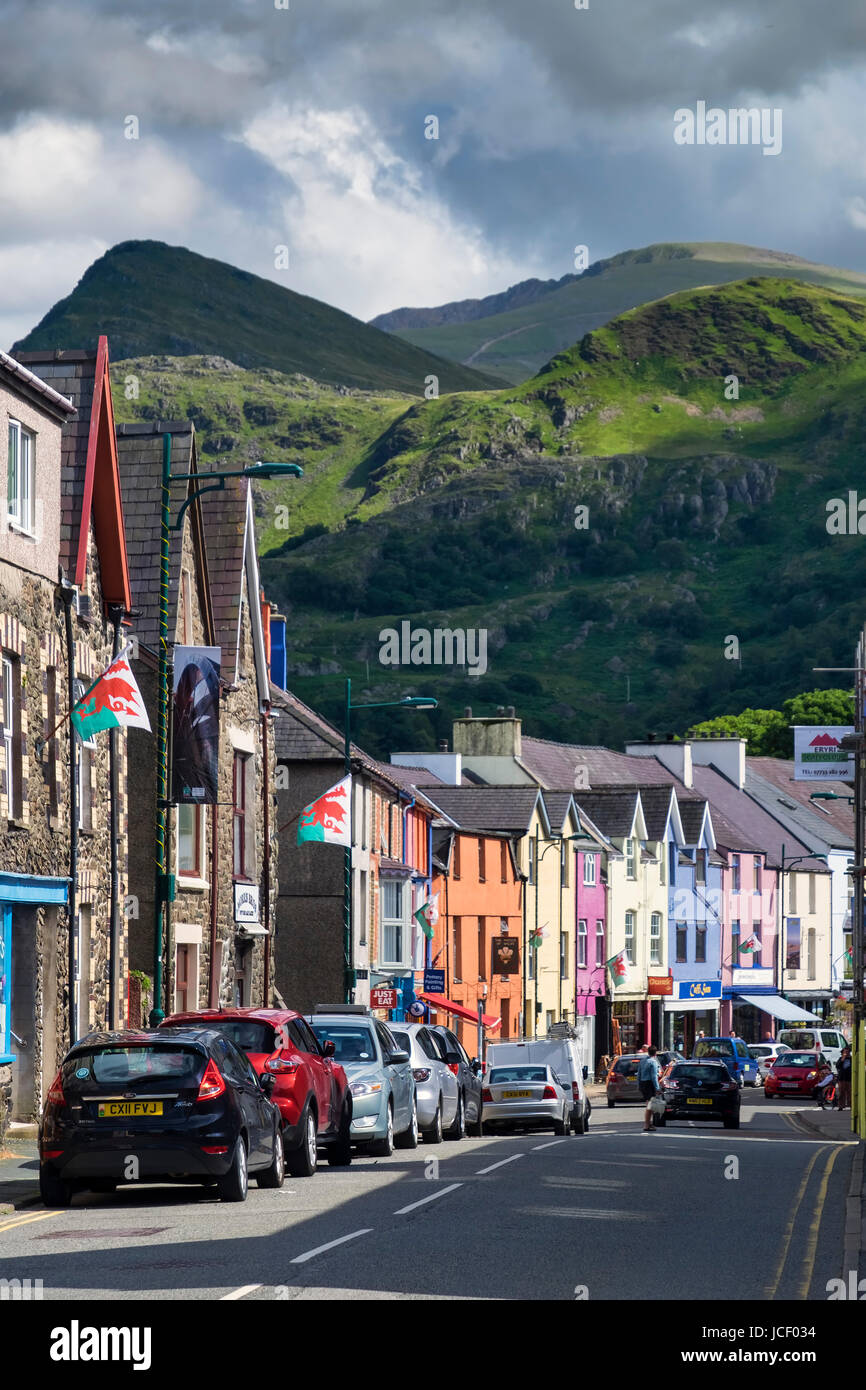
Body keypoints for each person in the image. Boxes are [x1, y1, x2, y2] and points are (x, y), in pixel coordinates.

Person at [638, 1045, 661, 1132]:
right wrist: (657, 1088)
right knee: (650, 1105)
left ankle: (649, 1123)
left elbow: (639, 1074)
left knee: (649, 1104)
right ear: (655, 1053)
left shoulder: (643, 1061)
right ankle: (646, 1125)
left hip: (643, 1083)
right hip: (649, 1084)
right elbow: (654, 1077)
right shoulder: (653, 1062)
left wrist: (639, 1085)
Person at [837, 1046, 852, 1111]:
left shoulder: (851, 1059)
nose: (846, 1053)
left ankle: (851, 1105)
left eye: (847, 1052)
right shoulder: (841, 1059)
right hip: (842, 1078)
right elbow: (838, 1066)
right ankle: (841, 1105)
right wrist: (842, 1059)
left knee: (850, 1093)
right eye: (845, 1052)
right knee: (841, 1093)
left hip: (849, 1078)